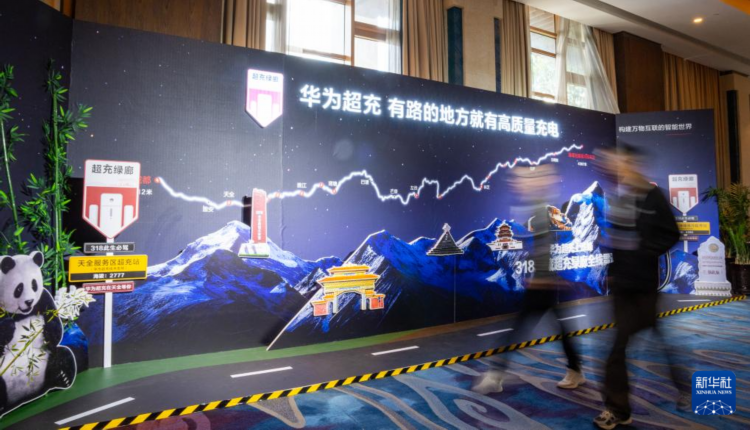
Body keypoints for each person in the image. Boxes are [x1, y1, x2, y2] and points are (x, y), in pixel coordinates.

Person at [472, 164, 585, 395]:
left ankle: (496, 376)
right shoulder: (534, 207)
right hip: (543, 284)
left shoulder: (540, 209)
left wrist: (541, 278)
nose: (516, 183)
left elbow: (544, 247)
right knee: (553, 329)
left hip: (544, 285)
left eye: (520, 179)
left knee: (519, 329)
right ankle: (575, 370)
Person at [592, 145, 683, 429]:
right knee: (618, 346)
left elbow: (671, 233)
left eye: (619, 161)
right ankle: (618, 409)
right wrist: (612, 272)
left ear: (632, 163)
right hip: (623, 286)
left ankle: (682, 382)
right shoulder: (620, 197)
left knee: (653, 336)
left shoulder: (653, 196)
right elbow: (617, 241)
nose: (613, 166)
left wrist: (644, 252)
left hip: (643, 285)